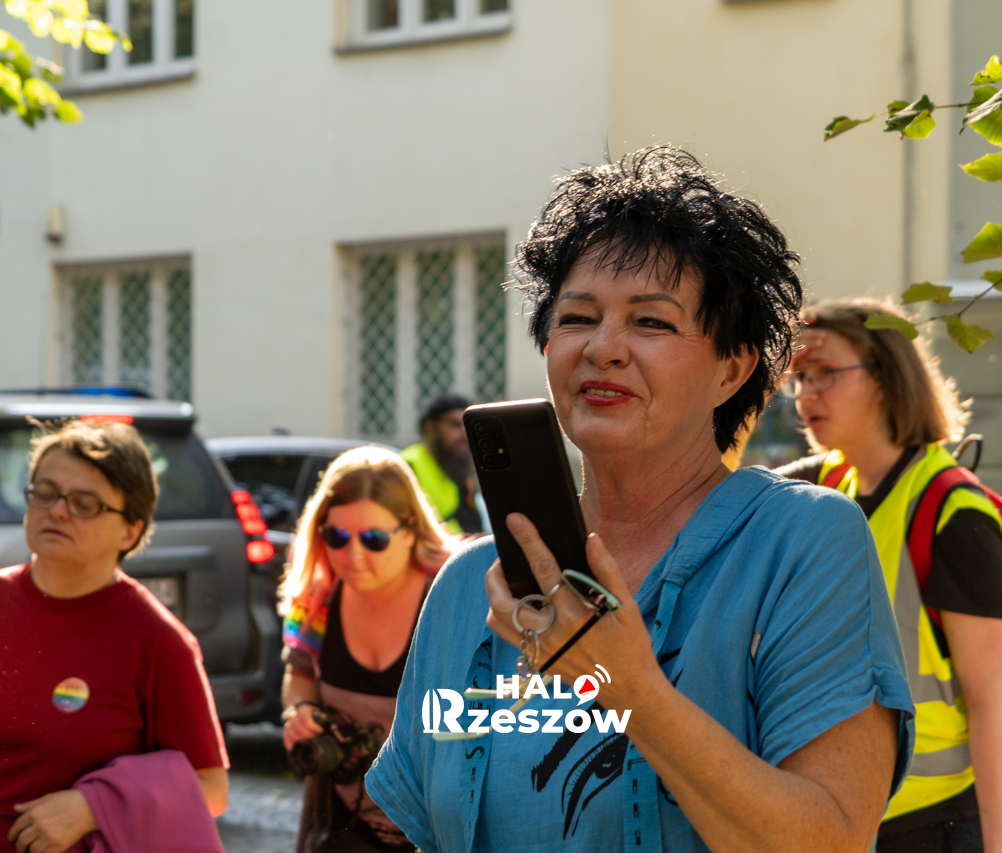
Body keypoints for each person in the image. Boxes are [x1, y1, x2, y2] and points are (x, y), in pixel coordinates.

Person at [365, 146, 915, 853]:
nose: (605, 348)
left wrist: (627, 687)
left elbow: (831, 840)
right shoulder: (468, 588)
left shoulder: (801, 543)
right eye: (577, 317)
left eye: (651, 323)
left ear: (732, 369)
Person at [0, 419, 228, 853]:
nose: (56, 511)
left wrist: (94, 807)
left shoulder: (158, 640)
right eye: (44, 492)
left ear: (130, 530)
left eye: (84, 503)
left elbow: (211, 789)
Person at [776, 298, 1002, 853]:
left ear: (886, 379)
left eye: (825, 373)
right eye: (799, 378)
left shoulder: (955, 515)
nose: (807, 394)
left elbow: (992, 705)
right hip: (839, 809)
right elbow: (715, 490)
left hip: (930, 826)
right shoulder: (826, 486)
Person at [278, 446, 456, 852]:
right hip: (343, 823)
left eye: (374, 539)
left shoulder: (454, 596)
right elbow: (299, 674)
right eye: (336, 537)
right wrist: (299, 711)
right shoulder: (315, 600)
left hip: (440, 831)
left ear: (410, 530)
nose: (353, 556)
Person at [401, 394, 487, 535]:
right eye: (455, 425)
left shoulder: (456, 467)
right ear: (430, 427)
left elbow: (472, 524)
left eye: (467, 426)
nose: (464, 433)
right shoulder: (407, 466)